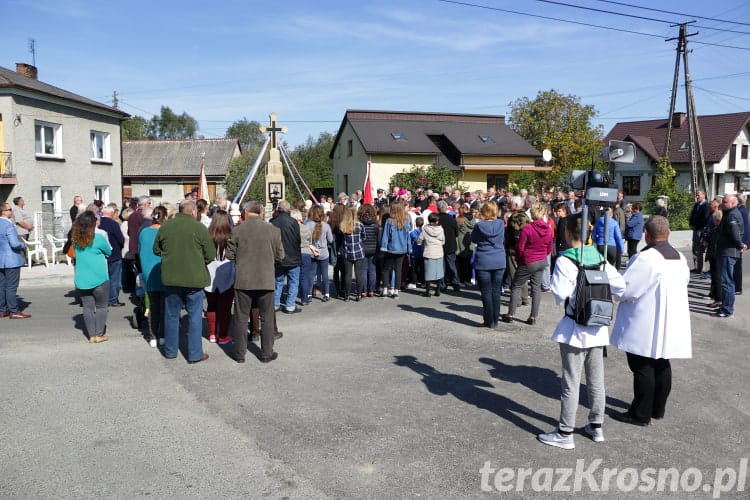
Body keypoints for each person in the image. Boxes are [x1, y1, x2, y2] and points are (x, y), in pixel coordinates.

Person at [537, 213, 625, 449]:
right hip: (597, 328)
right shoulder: (600, 257)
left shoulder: (566, 261)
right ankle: (596, 427)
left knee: (571, 382)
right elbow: (620, 287)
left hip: (574, 329)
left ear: (566, 233)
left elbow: (559, 294)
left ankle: (565, 433)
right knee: (596, 381)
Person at [610, 215, 691, 426]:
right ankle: (657, 409)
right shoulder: (679, 257)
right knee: (662, 363)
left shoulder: (646, 258)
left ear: (646, 234)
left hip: (645, 320)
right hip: (670, 319)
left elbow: (628, 289)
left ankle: (640, 414)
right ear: (669, 233)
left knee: (643, 366)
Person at [153, 200, 215, 364]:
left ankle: (170, 351)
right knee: (194, 316)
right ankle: (195, 354)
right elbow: (210, 254)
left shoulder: (166, 226)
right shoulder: (199, 228)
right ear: (194, 212)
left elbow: (156, 250)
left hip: (171, 277)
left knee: (171, 315)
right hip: (194, 279)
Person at [227, 200, 284, 364]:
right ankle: (267, 353)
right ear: (260, 212)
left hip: (243, 280)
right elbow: (281, 255)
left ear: (245, 212)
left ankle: (239, 354)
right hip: (265, 278)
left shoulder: (237, 230)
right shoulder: (273, 230)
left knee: (241, 317)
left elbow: (229, 255)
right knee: (266, 317)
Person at [503, 202, 553, 326]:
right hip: (541, 261)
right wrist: (542, 255)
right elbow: (549, 248)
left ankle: (510, 314)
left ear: (532, 214)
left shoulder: (528, 229)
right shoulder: (548, 229)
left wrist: (520, 259)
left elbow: (520, 247)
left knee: (516, 286)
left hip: (528, 260)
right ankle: (533, 316)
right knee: (536, 289)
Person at [72, 210, 112, 341]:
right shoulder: (98, 238)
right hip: (99, 277)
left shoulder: (76, 240)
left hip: (82, 279)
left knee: (87, 307)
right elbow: (109, 252)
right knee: (101, 307)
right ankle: (99, 334)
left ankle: (91, 336)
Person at [471, 201, 506, 328]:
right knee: (496, 291)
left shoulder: (479, 226)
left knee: (486, 292)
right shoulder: (501, 224)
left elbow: (473, 239)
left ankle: (488, 320)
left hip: (484, 260)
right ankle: (495, 320)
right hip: (499, 260)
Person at [713, 194, 747, 318]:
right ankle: (725, 307)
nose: (722, 203)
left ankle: (727, 310)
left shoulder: (732, 214)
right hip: (725, 251)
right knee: (727, 281)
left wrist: (739, 245)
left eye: (725, 202)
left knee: (726, 282)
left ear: (733, 203)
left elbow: (735, 233)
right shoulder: (729, 213)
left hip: (728, 252)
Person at [138, 205, 167, 348]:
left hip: (148, 272)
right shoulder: (166, 231)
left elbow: (141, 250)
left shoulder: (144, 232)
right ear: (165, 217)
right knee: (164, 305)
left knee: (152, 305)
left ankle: (153, 336)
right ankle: (162, 335)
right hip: (164, 271)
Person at [204, 210, 235, 344]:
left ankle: (212, 334)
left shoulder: (207, 235)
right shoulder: (231, 236)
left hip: (210, 274)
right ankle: (222, 335)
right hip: (228, 275)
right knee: (225, 308)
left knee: (211, 306)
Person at [270, 200, 302, 314]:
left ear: (278, 209)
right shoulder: (293, 222)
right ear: (289, 210)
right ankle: (290, 305)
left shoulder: (272, 222)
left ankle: (275, 304)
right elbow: (298, 239)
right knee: (293, 282)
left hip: (278, 257)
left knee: (278, 282)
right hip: (292, 256)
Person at [0, 202, 29, 319]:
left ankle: (2, 310)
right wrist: (23, 245)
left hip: (1, 259)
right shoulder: (8, 225)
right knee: (11, 286)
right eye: (10, 209)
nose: (11, 211)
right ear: (5, 212)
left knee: (1, 286)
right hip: (11, 259)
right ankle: (14, 311)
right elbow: (14, 243)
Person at [379, 201, 411, 299]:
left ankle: (385, 289)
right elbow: (407, 237)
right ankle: (395, 291)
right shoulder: (405, 221)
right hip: (402, 249)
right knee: (398, 270)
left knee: (386, 269)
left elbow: (385, 235)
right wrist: (409, 248)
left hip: (391, 248)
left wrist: (383, 247)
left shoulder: (389, 221)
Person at [98, 206, 126, 307]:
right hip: (114, 254)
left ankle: (102, 299)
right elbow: (120, 239)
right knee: (115, 278)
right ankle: (113, 299)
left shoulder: (98, 223)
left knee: (104, 278)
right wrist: (120, 247)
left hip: (101, 255)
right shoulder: (113, 224)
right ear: (112, 214)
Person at [306, 205, 333, 302]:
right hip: (324, 253)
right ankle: (326, 293)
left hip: (312, 252)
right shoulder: (326, 225)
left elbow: (306, 240)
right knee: (325, 274)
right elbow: (330, 240)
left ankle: (308, 294)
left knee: (311, 274)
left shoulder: (308, 225)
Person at [416, 213, 445, 298]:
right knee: (438, 272)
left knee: (428, 272)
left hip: (428, 252)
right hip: (439, 252)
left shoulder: (425, 229)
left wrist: (421, 243)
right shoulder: (441, 229)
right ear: (437, 220)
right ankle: (438, 290)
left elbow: (419, 240)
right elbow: (443, 241)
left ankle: (428, 291)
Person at [437, 201, 461, 292]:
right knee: (452, 265)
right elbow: (456, 233)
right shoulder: (451, 219)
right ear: (446, 208)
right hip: (450, 245)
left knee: (441, 266)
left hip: (439, 245)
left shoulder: (436, 218)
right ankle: (455, 283)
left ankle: (442, 284)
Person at [358, 204, 380, 298]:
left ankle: (363, 291)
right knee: (372, 270)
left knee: (363, 270)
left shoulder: (360, 224)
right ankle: (371, 290)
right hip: (373, 249)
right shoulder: (376, 225)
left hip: (363, 249)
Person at [689, 191, 711, 273]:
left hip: (701, 229)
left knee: (700, 249)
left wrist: (696, 225)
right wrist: (691, 224)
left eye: (698, 195)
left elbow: (705, 219)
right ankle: (696, 267)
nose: (697, 196)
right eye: (696, 195)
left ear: (704, 195)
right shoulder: (697, 204)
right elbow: (692, 215)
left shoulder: (706, 205)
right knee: (694, 249)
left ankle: (701, 268)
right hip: (695, 229)